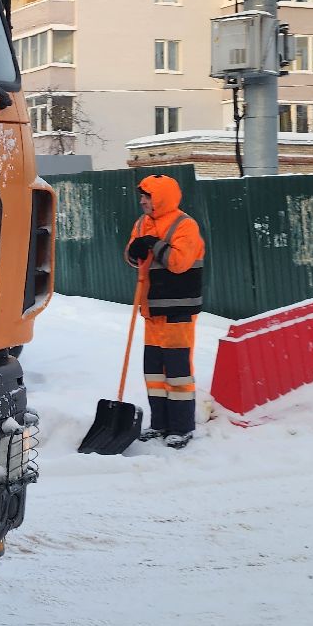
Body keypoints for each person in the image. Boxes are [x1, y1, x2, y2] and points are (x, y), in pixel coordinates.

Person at [123, 175, 206, 448]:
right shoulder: (141, 223)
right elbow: (134, 257)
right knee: (155, 373)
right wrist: (134, 250)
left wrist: (152, 244)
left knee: (177, 372)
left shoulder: (185, 225)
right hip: (152, 308)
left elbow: (179, 262)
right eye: (142, 196)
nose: (142, 201)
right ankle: (160, 423)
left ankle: (181, 427)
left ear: (161, 198)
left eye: (146, 196)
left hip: (177, 309)